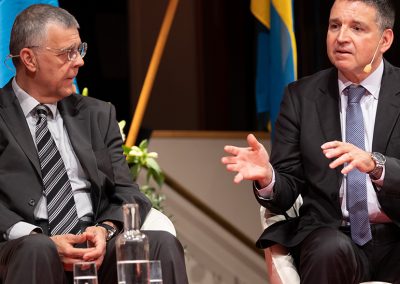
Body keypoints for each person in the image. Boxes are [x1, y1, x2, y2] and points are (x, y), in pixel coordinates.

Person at [0, 4, 188, 284]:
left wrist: (106, 230)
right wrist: (36, 236)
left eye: (80, 50)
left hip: (94, 246)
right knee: (38, 250)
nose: (79, 62)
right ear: (29, 59)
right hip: (24, 247)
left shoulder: (97, 114)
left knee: (161, 244)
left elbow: (127, 191)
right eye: (67, 53)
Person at [222, 0, 400, 283]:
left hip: (395, 235)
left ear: (385, 39)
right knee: (329, 248)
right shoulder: (301, 97)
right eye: (334, 26)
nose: (341, 37)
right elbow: (287, 189)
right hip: (333, 234)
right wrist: (269, 178)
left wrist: (376, 166)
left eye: (356, 28)